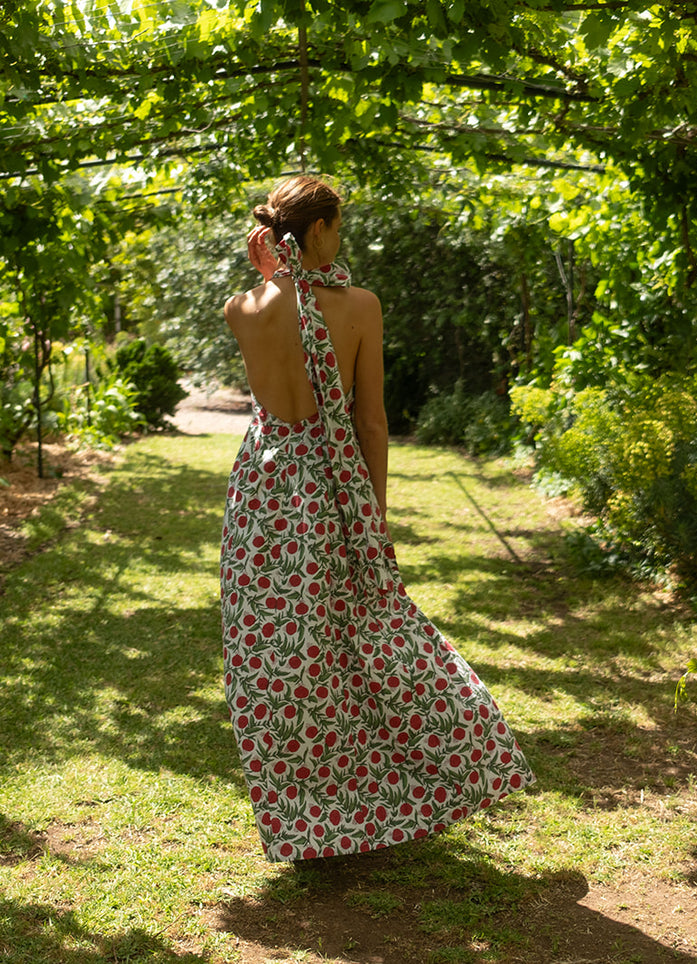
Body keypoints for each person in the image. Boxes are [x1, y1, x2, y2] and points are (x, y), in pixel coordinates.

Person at [219, 175, 533, 863]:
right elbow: (370, 421)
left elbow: (282, 312)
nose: (342, 237)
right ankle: (410, 779)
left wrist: (270, 277)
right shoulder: (359, 306)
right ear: (320, 229)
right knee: (370, 633)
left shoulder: (241, 308)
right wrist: (375, 512)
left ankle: (308, 818)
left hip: (263, 494)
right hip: (331, 490)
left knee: (281, 657)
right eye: (339, 225)